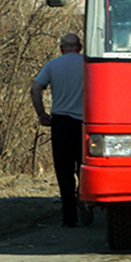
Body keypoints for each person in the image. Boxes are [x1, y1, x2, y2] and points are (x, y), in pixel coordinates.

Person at [31, 32, 88, 227]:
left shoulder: (52, 66)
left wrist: (42, 113)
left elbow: (35, 89)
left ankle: (69, 217)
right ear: (80, 47)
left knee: (63, 170)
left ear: (61, 48)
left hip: (61, 123)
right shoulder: (88, 65)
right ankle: (85, 201)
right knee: (83, 167)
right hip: (85, 123)